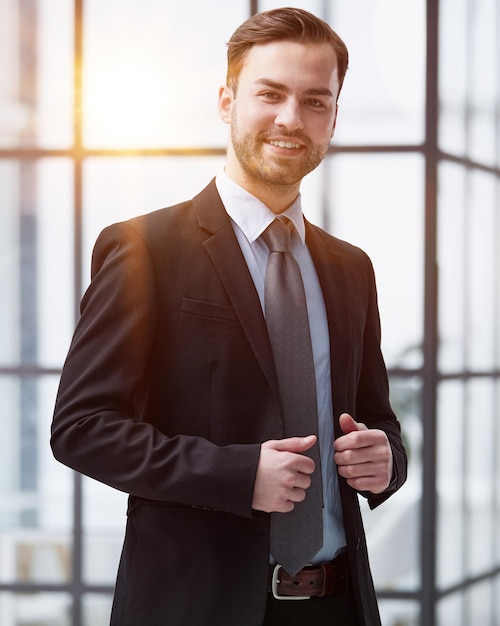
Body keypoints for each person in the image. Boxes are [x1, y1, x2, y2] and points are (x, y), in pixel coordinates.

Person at [51, 7, 407, 626]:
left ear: (333, 117)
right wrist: (238, 474)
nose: (291, 119)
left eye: (315, 101)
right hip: (196, 606)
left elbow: (376, 418)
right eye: (270, 94)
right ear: (227, 100)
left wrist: (386, 462)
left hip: (336, 604)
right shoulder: (144, 248)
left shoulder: (352, 269)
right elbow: (82, 426)